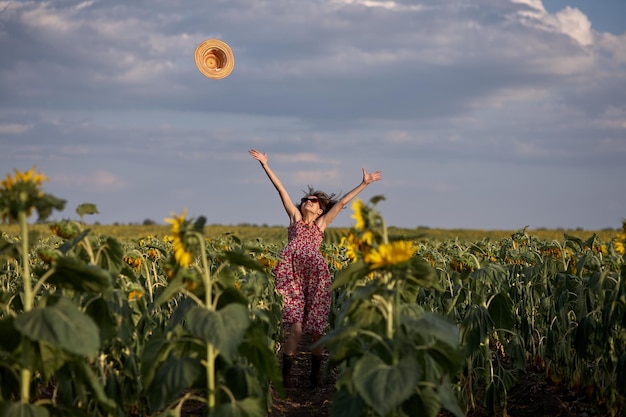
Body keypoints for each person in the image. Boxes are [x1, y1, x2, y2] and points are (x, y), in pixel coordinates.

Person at [248, 149, 382, 389]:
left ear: (320, 209)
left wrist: (364, 183)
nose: (306, 202)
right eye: (305, 200)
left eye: (312, 201)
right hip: (291, 274)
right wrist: (265, 165)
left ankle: (315, 375)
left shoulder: (321, 223)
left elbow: (341, 203)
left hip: (317, 277)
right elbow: (281, 190)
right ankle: (286, 376)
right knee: (296, 328)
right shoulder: (294, 219)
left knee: (317, 330)